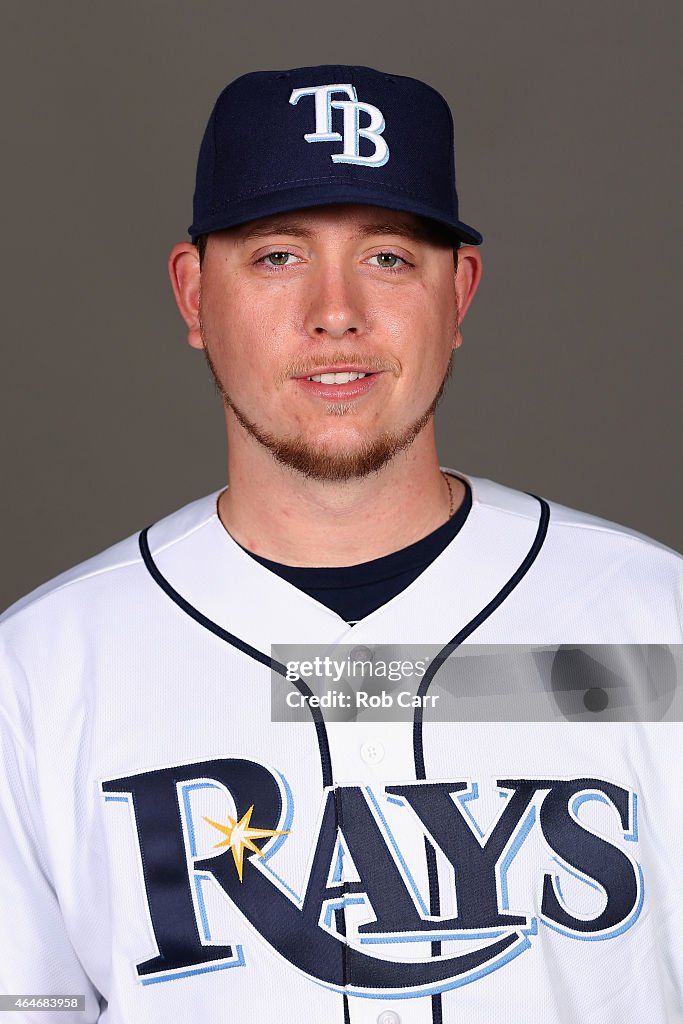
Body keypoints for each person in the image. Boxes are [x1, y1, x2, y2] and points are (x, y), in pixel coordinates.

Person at [1, 65, 681, 1024]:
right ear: (195, 295)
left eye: (390, 258)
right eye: (277, 256)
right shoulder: (39, 674)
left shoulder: (656, 629)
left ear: (461, 293)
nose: (334, 311)